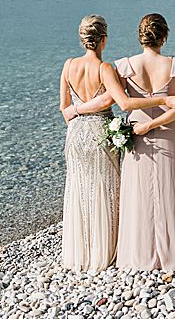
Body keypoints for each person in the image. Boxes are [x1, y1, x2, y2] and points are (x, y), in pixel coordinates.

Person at [100, 13, 175, 271]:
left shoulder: (124, 67)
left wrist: (144, 125)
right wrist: (158, 113)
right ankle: (173, 250)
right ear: (164, 37)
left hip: (136, 133)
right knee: (170, 187)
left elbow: (122, 103)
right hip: (168, 132)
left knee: (139, 191)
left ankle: (139, 252)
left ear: (140, 36)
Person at [58, 14, 123, 271]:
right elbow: (111, 100)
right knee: (104, 189)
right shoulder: (105, 69)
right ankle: (103, 249)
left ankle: (80, 252)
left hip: (75, 133)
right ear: (104, 40)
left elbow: (64, 107)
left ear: (82, 38)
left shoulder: (68, 65)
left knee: (79, 189)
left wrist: (77, 114)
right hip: (100, 131)